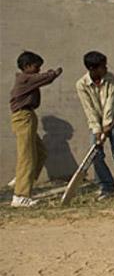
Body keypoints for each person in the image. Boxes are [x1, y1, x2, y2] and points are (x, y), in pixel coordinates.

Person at [76, 51, 114, 202]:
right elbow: (88, 108)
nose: (106, 68)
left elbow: (111, 101)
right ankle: (107, 187)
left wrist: (107, 123)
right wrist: (97, 129)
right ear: (92, 68)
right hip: (95, 125)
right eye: (102, 66)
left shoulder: (110, 78)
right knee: (96, 156)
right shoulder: (81, 85)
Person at [9, 51, 62, 207]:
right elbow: (46, 78)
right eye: (36, 67)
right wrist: (55, 72)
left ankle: (22, 180)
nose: (39, 70)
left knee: (40, 153)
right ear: (26, 67)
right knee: (27, 156)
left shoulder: (27, 79)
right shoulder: (25, 78)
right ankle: (20, 196)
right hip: (23, 118)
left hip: (28, 117)